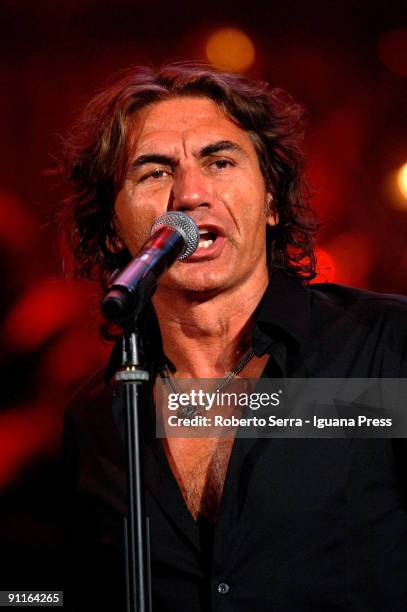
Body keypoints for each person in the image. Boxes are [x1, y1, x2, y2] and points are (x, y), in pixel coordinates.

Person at [59, 63, 407, 611]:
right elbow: (54, 594)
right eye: (153, 173)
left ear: (271, 202)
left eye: (220, 162)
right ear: (111, 227)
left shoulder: (385, 349)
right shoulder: (96, 419)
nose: (190, 194)